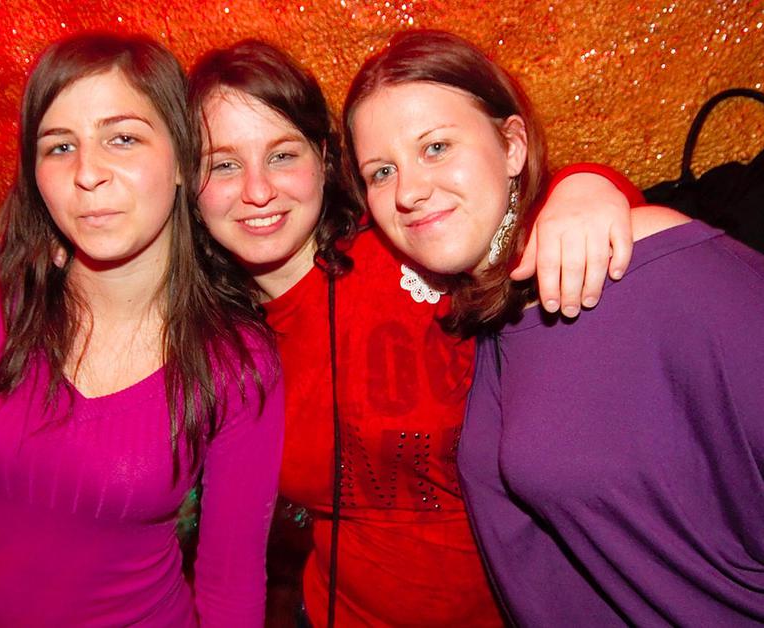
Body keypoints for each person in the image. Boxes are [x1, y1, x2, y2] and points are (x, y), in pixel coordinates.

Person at [188, 40, 643, 627]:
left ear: (324, 160)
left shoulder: (413, 242)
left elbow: (534, 217)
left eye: (281, 155)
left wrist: (588, 185)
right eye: (224, 164)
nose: (257, 190)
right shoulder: (221, 343)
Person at [344, 29, 764, 626]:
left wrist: (590, 183)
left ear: (512, 145)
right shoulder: (488, 311)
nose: (409, 191)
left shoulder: (650, 264)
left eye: (436, 147)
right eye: (382, 171)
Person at [0, 32, 283, 627]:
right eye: (59, 146)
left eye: (122, 138)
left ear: (182, 160)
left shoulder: (237, 360)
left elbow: (231, 586)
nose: (88, 173)